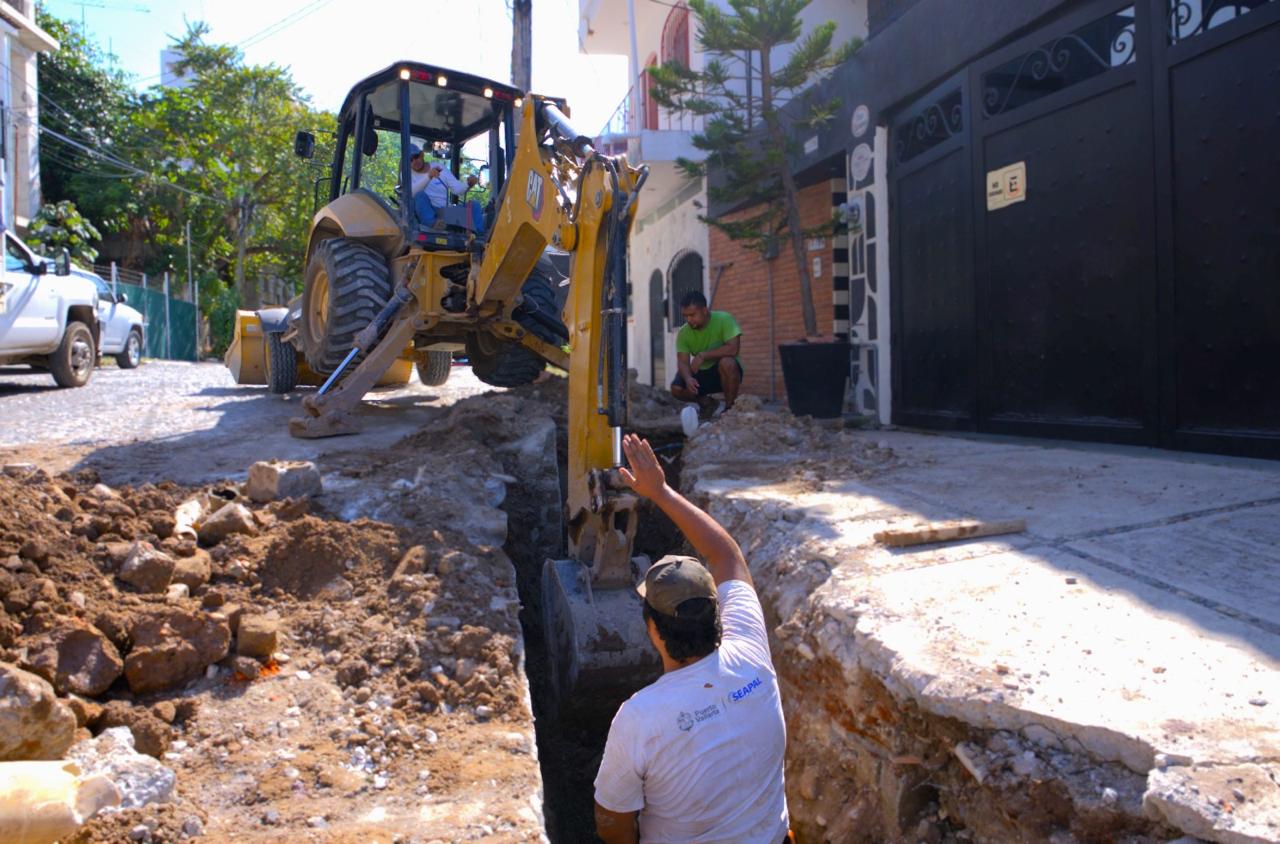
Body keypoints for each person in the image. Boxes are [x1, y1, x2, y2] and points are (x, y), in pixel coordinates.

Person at [594, 434, 788, 844]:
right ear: (718, 612)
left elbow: (612, 822)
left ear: (651, 629)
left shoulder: (640, 717)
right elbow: (727, 557)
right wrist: (662, 492)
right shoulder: (752, 654)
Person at [670, 290, 742, 414]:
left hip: (724, 372)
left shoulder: (725, 319)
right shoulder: (683, 333)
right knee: (676, 388)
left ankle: (730, 409)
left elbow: (733, 349)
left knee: (727, 362)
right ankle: (708, 404)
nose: (689, 319)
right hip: (702, 373)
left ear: (704, 310)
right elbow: (683, 363)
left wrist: (704, 355)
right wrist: (688, 379)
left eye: (692, 315)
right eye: (685, 316)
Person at [408, 144, 484, 233]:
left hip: (445, 211)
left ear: (422, 155)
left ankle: (476, 236)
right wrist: (428, 177)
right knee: (420, 195)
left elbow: (457, 189)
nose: (414, 161)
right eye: (410, 160)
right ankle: (434, 225)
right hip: (429, 212)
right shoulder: (406, 174)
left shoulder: (439, 167)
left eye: (416, 157)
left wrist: (468, 184)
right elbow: (411, 193)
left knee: (474, 205)